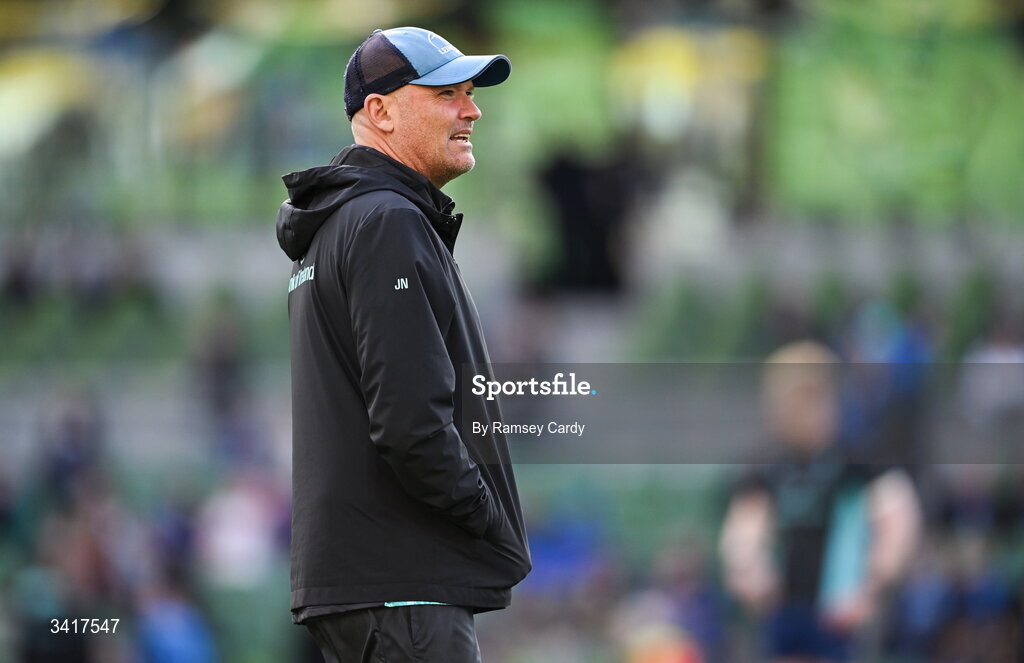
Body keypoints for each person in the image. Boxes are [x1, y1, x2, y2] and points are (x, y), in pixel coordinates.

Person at [276, 27, 531, 663]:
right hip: (404, 584)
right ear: (381, 111)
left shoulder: (339, 223)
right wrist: (483, 509)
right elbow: (411, 423)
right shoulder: (387, 221)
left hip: (370, 584)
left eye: (470, 94)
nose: (471, 110)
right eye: (448, 93)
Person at [719, 341, 921, 663]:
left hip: (841, 612)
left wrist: (872, 587)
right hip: (784, 610)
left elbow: (898, 519)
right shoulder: (766, 463)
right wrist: (749, 571)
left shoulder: (859, 458)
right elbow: (745, 528)